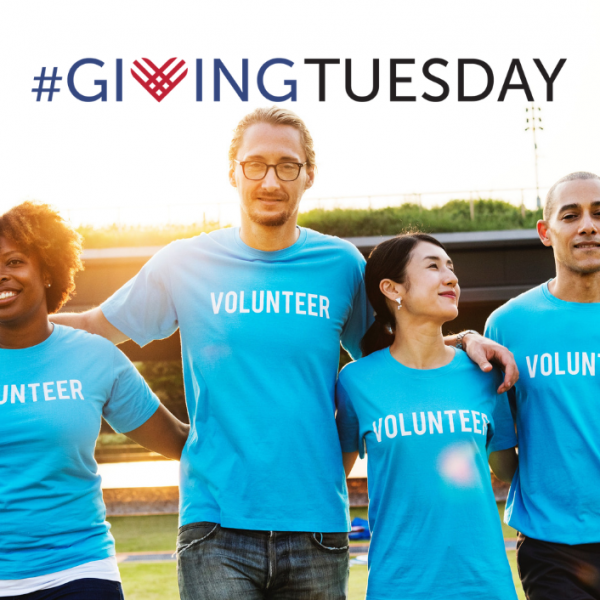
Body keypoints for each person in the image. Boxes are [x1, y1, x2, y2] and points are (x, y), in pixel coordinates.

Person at [51, 107, 518, 600]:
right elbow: (91, 328)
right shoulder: (183, 262)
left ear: (308, 175)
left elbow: (399, 352)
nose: (270, 180)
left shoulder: (340, 264)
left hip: (317, 528)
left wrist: (464, 340)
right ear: (233, 172)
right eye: (255, 164)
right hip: (215, 526)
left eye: (287, 165)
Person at [0, 202, 189, 600]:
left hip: (81, 570)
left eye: (14, 261)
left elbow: (180, 441)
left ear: (48, 270)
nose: (2, 275)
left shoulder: (95, 357)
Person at [337, 233, 519, 600]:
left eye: (451, 267)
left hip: (486, 585)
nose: (451, 277)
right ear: (391, 289)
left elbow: (507, 470)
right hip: (398, 586)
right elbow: (332, 479)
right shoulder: (356, 381)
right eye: (433, 266)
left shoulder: (484, 372)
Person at [485, 171, 600, 600]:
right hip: (552, 549)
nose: (588, 225)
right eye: (571, 215)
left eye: (598, 214)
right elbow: (501, 452)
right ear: (545, 232)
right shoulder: (507, 324)